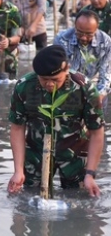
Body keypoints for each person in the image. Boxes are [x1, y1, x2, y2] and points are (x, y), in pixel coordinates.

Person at [8, 45, 104, 197]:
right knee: (29, 198)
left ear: (67, 70)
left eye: (55, 79)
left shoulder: (84, 89)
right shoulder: (24, 87)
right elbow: (17, 128)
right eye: (44, 79)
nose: (50, 84)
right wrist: (18, 171)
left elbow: (96, 132)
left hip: (75, 154)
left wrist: (90, 174)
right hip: (36, 153)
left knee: (78, 199)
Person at [53, 10, 111, 103]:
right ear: (75, 26)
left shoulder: (106, 42)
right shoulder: (62, 39)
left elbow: (105, 74)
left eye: (89, 34)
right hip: (66, 84)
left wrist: (99, 97)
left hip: (90, 84)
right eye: (79, 33)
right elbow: (57, 70)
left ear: (96, 28)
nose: (84, 38)